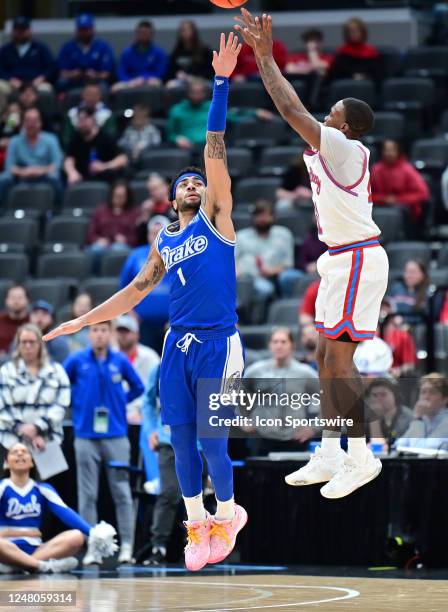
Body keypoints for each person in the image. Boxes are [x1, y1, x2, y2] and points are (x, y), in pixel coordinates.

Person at [43, 33, 248, 572]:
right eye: (183, 182)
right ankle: (198, 524)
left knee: (211, 442)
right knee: (179, 441)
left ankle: (228, 512)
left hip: (219, 344)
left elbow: (214, 148)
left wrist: (221, 83)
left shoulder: (218, 218)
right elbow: (132, 293)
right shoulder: (165, 242)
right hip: (178, 345)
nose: (192, 184)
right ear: (170, 198)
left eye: (197, 182)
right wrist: (80, 322)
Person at [236, 9, 388, 497]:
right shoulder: (337, 148)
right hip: (339, 258)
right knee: (325, 356)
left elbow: (290, 109)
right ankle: (329, 449)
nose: (328, 115)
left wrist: (264, 57)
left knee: (341, 362)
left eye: (335, 112)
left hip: (359, 256)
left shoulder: (346, 148)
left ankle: (361, 456)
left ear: (349, 126)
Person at [63, 321, 144, 565]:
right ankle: (93, 547)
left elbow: (138, 387)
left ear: (110, 334)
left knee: (121, 492)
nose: (99, 335)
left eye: (103, 330)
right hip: (86, 435)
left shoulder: (119, 361)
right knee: (87, 494)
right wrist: (76, 407)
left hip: (116, 435)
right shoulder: (77, 360)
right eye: (95, 331)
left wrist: (120, 404)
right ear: (89, 334)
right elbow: (61, 386)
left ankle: (127, 545)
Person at [0, 442, 117, 573]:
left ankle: (18, 566)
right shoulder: (2, 487)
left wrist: (93, 533)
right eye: (15, 452)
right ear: (6, 463)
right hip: (6, 547)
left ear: (32, 462)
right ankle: (41, 566)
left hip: (37, 549)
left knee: (76, 536)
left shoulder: (42, 488)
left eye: (25, 452)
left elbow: (65, 512)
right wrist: (23, 533)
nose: (20, 454)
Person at [242, 327, 320, 456]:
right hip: (262, 439)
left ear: (292, 345)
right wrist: (242, 420)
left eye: (283, 342)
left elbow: (327, 400)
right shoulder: (255, 371)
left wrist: (313, 428)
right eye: (275, 341)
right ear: (270, 345)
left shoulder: (305, 373)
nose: (279, 346)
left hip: (295, 439)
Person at [0, 324, 70, 453]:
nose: (28, 346)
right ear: (18, 345)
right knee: (11, 474)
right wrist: (21, 427)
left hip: (48, 441)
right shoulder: (6, 371)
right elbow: (3, 406)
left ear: (40, 344)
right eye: (23, 342)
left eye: (32, 342)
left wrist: (38, 428)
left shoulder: (57, 371)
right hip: (12, 442)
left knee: (51, 474)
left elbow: (61, 404)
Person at [140, 363, 181, 565]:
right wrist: (150, 429)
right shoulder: (159, 368)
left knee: (198, 494)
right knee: (170, 492)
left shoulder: (204, 361)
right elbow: (148, 401)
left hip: (201, 442)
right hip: (169, 441)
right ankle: (159, 546)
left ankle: (198, 546)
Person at [120, 216, 171, 351]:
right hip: (142, 324)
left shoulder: (179, 254)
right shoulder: (136, 256)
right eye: (153, 233)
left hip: (172, 323)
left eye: (160, 232)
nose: (156, 236)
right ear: (148, 235)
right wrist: (131, 314)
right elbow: (123, 289)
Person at [236, 200, 301, 301]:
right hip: (246, 278)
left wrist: (270, 271)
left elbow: (288, 265)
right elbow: (231, 260)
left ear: (273, 217)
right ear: (253, 218)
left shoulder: (284, 234)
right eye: (259, 215)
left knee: (283, 280)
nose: (262, 219)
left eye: (266, 215)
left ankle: (283, 306)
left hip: (274, 277)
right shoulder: (241, 236)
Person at [0, 107, 63, 202]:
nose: (31, 124)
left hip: (44, 175)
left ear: (40, 123)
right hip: (20, 176)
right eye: (28, 121)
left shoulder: (51, 139)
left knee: (55, 177)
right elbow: (9, 166)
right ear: (23, 123)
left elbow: (57, 164)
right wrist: (24, 172)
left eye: (34, 121)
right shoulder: (14, 141)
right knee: (4, 178)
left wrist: (39, 171)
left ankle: (58, 212)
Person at [0, 17, 55, 115]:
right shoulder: (6, 49)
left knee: (46, 89)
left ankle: (45, 122)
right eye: (17, 30)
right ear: (13, 31)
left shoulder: (40, 48)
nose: (20, 33)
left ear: (29, 30)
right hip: (13, 84)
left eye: (23, 30)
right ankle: (2, 122)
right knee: (0, 87)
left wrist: (42, 78)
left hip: (36, 83)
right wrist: (9, 79)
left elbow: (52, 67)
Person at [86, 179, 139, 273]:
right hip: (103, 244)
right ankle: (96, 278)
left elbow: (137, 237)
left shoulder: (134, 213)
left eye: (122, 196)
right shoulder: (100, 210)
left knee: (118, 249)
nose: (119, 198)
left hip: (123, 246)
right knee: (95, 250)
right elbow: (91, 233)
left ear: (127, 197)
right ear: (111, 194)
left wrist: (126, 240)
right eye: (116, 195)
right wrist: (98, 239)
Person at [64, 107, 128, 184]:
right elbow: (69, 159)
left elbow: (122, 159)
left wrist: (104, 166)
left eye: (84, 119)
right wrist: (72, 172)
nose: (82, 123)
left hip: (104, 177)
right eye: (79, 120)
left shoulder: (105, 138)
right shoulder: (76, 139)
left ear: (93, 119)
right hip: (82, 177)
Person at [370, 140, 429, 223]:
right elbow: (367, 194)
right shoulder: (376, 169)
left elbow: (423, 194)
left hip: (404, 210)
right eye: (386, 150)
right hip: (380, 204)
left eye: (392, 150)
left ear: (398, 151)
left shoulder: (407, 170)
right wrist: (383, 199)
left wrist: (398, 199)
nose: (388, 153)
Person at [114, 314, 160, 422]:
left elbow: (159, 389)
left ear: (137, 334)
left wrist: (141, 412)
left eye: (127, 331)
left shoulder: (150, 356)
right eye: (120, 331)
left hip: (144, 414)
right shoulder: (110, 356)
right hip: (115, 413)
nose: (123, 335)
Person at [57, 14, 115, 91]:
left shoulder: (103, 47)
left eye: (86, 29)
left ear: (93, 29)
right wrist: (74, 74)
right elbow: (62, 72)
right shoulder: (67, 47)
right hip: (73, 81)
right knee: (61, 83)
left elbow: (106, 74)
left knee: (103, 87)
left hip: (95, 81)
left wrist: (95, 75)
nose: (84, 32)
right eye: (81, 29)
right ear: (76, 30)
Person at [395, 373, 448, 451]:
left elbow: (420, 450)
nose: (426, 397)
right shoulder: (425, 418)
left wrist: (417, 419)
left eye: (432, 392)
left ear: (445, 399)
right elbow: (399, 444)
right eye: (423, 392)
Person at [114, 21, 168, 90]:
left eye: (146, 33)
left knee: (157, 83)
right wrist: (129, 81)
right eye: (141, 33)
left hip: (151, 81)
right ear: (136, 33)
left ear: (152, 34)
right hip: (131, 81)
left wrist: (145, 78)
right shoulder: (127, 52)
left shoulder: (159, 52)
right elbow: (121, 71)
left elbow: (161, 71)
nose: (144, 35)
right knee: (115, 88)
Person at [62, 83, 115, 148]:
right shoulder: (72, 114)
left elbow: (111, 136)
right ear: (83, 95)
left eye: (94, 95)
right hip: (76, 148)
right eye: (88, 94)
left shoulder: (107, 114)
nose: (91, 97)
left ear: (100, 96)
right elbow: (66, 138)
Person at [366, 378, 413, 449]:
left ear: (395, 395)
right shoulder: (367, 416)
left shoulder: (406, 417)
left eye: (383, 394)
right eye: (375, 395)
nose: (378, 399)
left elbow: (381, 447)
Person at [329, 18, 381, 82]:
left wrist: (364, 76)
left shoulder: (371, 52)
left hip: (368, 85)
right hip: (347, 85)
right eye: (351, 32)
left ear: (363, 33)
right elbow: (337, 74)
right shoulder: (341, 52)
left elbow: (377, 73)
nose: (354, 34)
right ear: (347, 34)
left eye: (357, 31)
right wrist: (353, 76)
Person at [166, 20, 213, 87]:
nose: (185, 32)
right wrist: (177, 74)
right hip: (182, 81)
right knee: (171, 85)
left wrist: (192, 78)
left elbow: (210, 71)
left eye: (188, 29)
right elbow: (171, 70)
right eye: (182, 30)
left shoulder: (204, 50)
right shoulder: (177, 51)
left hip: (200, 80)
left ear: (194, 32)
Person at [167, 78, 211, 150]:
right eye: (192, 92)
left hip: (209, 148)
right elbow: (170, 134)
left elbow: (233, 119)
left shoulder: (214, 108)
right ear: (187, 93)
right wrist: (176, 139)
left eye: (199, 92)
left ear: (205, 94)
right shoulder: (177, 110)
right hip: (184, 148)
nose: (195, 96)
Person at [387, 259, 429, 326]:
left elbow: (424, 318)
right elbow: (386, 306)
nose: (408, 275)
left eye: (413, 272)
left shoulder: (428, 293)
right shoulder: (396, 287)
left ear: (422, 275)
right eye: (406, 271)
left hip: (413, 330)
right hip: (391, 327)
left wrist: (404, 320)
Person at [0, 285, 29, 356]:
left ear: (27, 300)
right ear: (6, 300)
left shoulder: (33, 321)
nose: (16, 301)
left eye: (20, 298)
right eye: (12, 298)